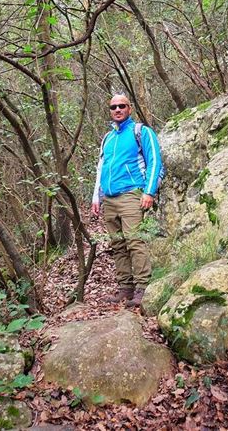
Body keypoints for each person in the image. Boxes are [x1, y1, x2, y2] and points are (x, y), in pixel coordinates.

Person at [91, 94, 163, 308]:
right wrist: (97, 196)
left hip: (132, 194)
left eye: (122, 106)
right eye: (113, 107)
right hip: (110, 199)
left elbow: (155, 161)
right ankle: (125, 288)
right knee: (118, 245)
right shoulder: (108, 138)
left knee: (134, 241)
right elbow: (101, 168)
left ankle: (142, 288)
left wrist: (149, 191)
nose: (117, 109)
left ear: (129, 108)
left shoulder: (141, 132)